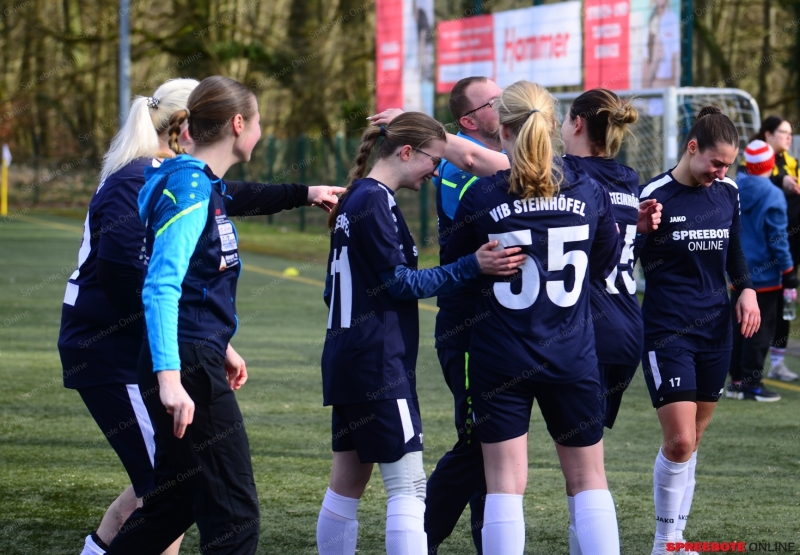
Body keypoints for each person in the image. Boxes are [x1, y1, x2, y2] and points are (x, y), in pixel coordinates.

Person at [104, 75, 343, 555]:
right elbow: (162, 285)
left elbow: (241, 197)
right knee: (235, 516)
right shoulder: (190, 184)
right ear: (239, 124)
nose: (260, 131)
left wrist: (307, 191)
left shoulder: (195, 180)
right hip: (186, 366)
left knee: (175, 502)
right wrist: (170, 378)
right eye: (258, 122)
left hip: (193, 352)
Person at [316, 112, 525, 555]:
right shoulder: (374, 200)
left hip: (348, 358)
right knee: (408, 486)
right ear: (406, 152)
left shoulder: (360, 197)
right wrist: (473, 265)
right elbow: (399, 284)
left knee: (347, 484)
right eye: (433, 160)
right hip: (377, 364)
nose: (436, 172)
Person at [445, 80, 622, 555]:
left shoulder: (481, 197)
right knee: (588, 479)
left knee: (504, 484)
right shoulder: (588, 189)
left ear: (502, 130)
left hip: (501, 355)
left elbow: (456, 274)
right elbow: (602, 265)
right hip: (572, 354)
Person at [637, 107, 760, 555]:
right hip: (667, 331)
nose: (721, 171)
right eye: (715, 162)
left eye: (727, 165)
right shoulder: (652, 194)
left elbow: (736, 254)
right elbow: (617, 255)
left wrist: (745, 290)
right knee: (679, 439)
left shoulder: (727, 193)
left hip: (716, 330)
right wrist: (637, 231)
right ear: (692, 148)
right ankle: (664, 541)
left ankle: (677, 540)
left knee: (694, 440)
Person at [560, 88, 661, 554]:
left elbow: (496, 168)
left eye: (563, 119)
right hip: (626, 328)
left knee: (585, 472)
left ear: (578, 123)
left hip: (590, 331)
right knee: (585, 463)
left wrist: (432, 135)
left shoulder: (570, 174)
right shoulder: (628, 178)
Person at [427, 75, 503, 555]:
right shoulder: (461, 169)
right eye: (494, 102)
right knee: (478, 444)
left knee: (496, 446)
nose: (505, 105)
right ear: (469, 121)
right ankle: (419, 537)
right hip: (469, 323)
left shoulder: (497, 161)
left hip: (501, 325)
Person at [728, 140, 796, 401]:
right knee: (759, 328)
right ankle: (752, 384)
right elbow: (778, 239)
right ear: (770, 165)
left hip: (739, 271)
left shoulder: (734, 187)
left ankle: (735, 380)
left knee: (738, 326)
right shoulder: (773, 194)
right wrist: (789, 270)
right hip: (765, 276)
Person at [744, 116, 800, 381]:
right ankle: (749, 374)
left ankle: (774, 364)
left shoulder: (792, 162)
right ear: (768, 134)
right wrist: (781, 184)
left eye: (790, 133)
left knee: (784, 306)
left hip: (789, 248)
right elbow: (753, 185)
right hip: (770, 254)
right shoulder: (753, 161)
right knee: (760, 315)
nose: (788, 137)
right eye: (783, 132)